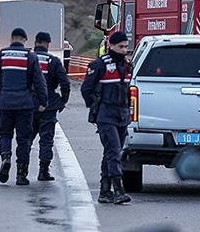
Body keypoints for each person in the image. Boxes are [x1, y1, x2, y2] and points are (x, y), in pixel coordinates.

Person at [0, 27, 48, 186]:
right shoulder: (30, 56)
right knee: (23, 139)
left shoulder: (1, 55)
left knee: (5, 134)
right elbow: (39, 82)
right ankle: (21, 175)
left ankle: (5, 157)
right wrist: (43, 102)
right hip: (25, 104)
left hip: (5, 103)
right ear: (25, 40)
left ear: (11, 39)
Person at [81, 31, 133, 204]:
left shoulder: (127, 66)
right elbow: (86, 89)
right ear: (111, 46)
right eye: (121, 47)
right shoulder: (99, 65)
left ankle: (105, 190)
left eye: (126, 47)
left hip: (122, 114)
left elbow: (126, 91)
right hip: (106, 113)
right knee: (113, 150)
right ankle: (118, 189)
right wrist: (95, 107)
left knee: (113, 151)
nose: (124, 50)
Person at [30, 31, 70, 181]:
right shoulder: (53, 61)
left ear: (35, 43)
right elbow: (65, 82)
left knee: (26, 138)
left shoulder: (28, 59)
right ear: (48, 44)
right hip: (49, 104)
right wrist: (63, 100)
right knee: (46, 139)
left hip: (29, 104)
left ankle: (22, 172)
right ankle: (43, 171)